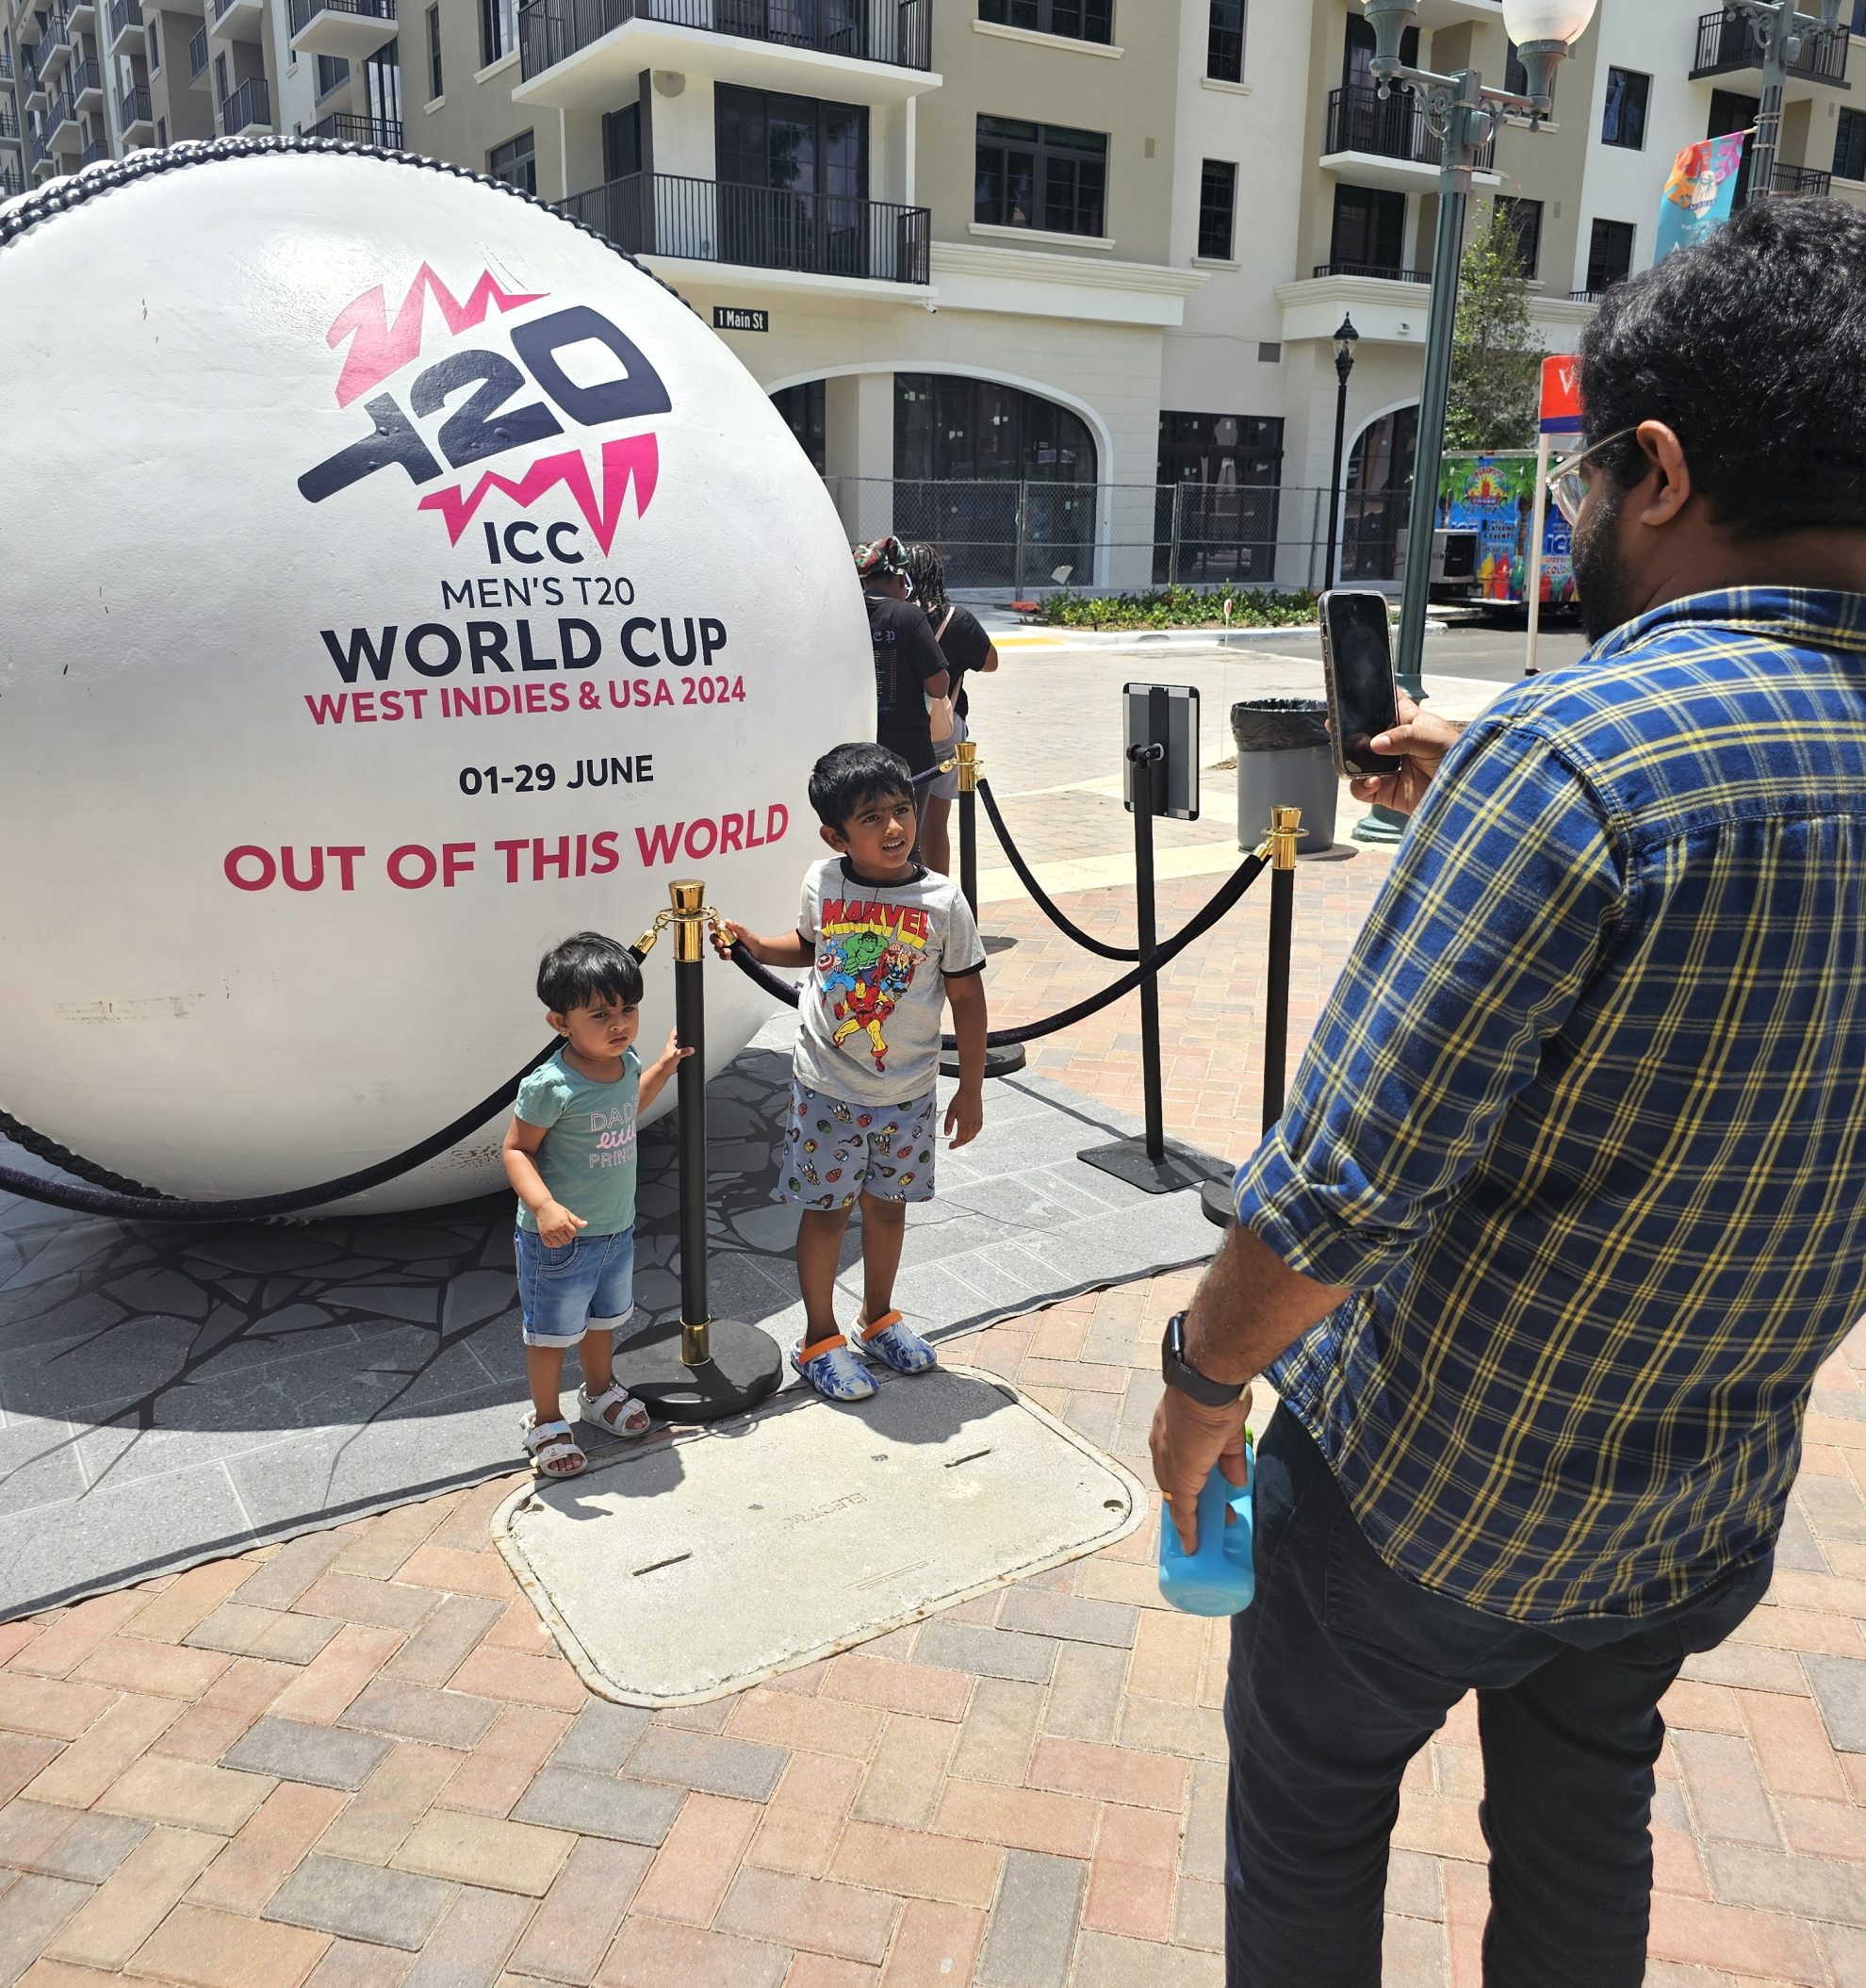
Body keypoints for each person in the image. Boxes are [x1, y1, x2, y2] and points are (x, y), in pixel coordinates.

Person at [1150, 196, 1866, 1987]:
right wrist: (1489, 788)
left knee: (1308, 1821)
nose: (1576, 516)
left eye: (1583, 479)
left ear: (1663, 471)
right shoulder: (1571, 769)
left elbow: (1336, 1194)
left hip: (1425, 1498)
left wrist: (1198, 1383)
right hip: (1698, 1499)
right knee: (1582, 1819)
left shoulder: (1580, 761)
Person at [727, 742, 987, 1403]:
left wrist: (972, 1088)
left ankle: (878, 1317)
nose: (895, 828)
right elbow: (811, 946)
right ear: (836, 834)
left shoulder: (942, 902)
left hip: (907, 1092)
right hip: (827, 1088)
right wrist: (758, 945)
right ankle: (819, 1337)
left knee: (889, 1208)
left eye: (902, 810)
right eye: (872, 818)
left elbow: (967, 998)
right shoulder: (825, 881)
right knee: (825, 1211)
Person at [502, 931, 689, 1478]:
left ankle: (600, 1392)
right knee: (550, 1334)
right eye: (600, 1014)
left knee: (604, 1321)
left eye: (627, 1009)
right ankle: (544, 1419)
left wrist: (662, 1066)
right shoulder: (551, 1086)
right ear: (560, 1023)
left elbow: (628, 1107)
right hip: (558, 1241)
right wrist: (544, 1207)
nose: (619, 1024)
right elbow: (515, 1150)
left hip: (614, 1230)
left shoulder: (625, 1061)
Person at [905, 541, 999, 879]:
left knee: (897, 819)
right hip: (943, 726)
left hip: (898, 728)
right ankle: (939, 900)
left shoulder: (893, 614)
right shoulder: (958, 620)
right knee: (935, 824)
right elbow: (991, 663)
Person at [855, 536, 950, 832]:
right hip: (907, 750)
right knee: (906, 841)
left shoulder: (846, 614)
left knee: (863, 835)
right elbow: (938, 686)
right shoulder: (908, 615)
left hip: (856, 746)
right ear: (898, 576)